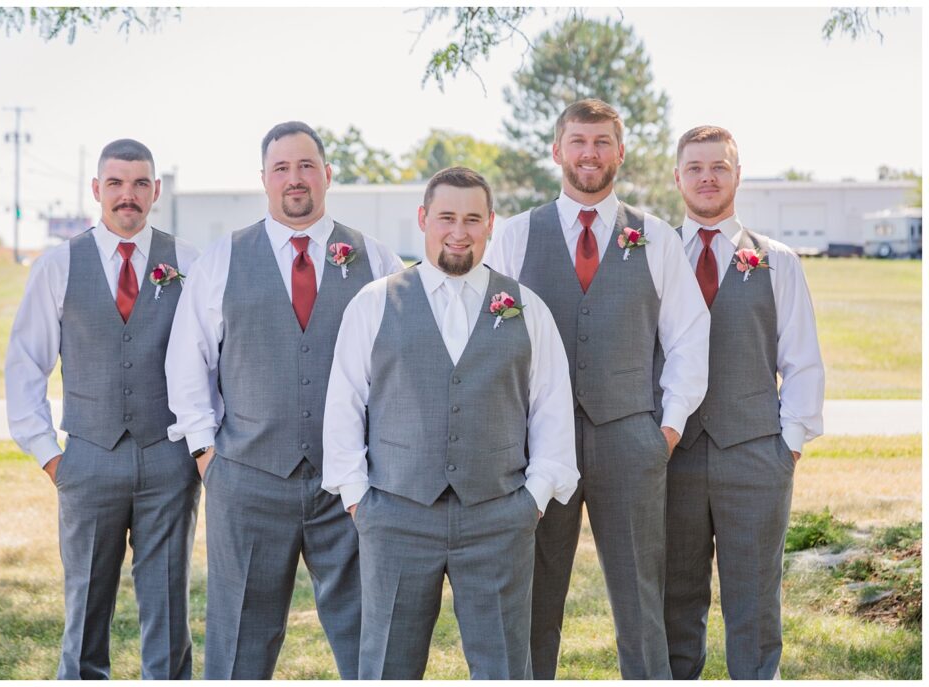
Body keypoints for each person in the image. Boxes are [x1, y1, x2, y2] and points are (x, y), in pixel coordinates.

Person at [165, 121, 403, 679]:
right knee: (239, 640)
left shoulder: (378, 260)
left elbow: (402, 367)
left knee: (370, 633)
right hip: (246, 479)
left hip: (348, 482)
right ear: (264, 180)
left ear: (327, 174)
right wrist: (206, 455)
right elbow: (187, 360)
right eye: (281, 168)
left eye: (305, 166)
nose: (294, 179)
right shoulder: (223, 258)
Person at [483, 98, 710, 679]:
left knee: (641, 596)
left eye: (602, 141)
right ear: (557, 150)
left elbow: (687, 336)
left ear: (621, 151)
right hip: (539, 445)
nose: (590, 153)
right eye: (579, 141)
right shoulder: (513, 235)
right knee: (534, 591)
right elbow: (489, 336)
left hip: (631, 438)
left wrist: (667, 429)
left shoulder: (654, 237)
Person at [323, 166, 579, 679]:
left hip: (497, 517)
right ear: (423, 219)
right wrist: (358, 499)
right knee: (386, 667)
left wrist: (532, 500)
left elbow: (551, 407)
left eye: (471, 219)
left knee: (505, 666)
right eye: (446, 217)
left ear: (490, 225)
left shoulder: (527, 307)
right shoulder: (375, 302)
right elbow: (345, 403)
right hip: (396, 515)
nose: (458, 231)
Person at [5, 139, 201, 679]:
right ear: (96, 190)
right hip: (88, 459)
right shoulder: (58, 266)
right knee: (85, 610)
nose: (128, 195)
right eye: (115, 183)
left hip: (169, 461)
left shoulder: (189, 262)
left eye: (140, 183)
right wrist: (52, 458)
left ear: (156, 190)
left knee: (168, 612)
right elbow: (25, 366)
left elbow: (215, 362)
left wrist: (199, 449)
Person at [665, 125, 824, 679]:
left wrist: (790, 447)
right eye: (695, 167)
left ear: (738, 174)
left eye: (720, 167)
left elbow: (801, 359)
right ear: (677, 176)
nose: (707, 177)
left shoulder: (777, 260)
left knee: (754, 601)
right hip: (672, 455)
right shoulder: (653, 256)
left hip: (756, 455)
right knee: (674, 598)